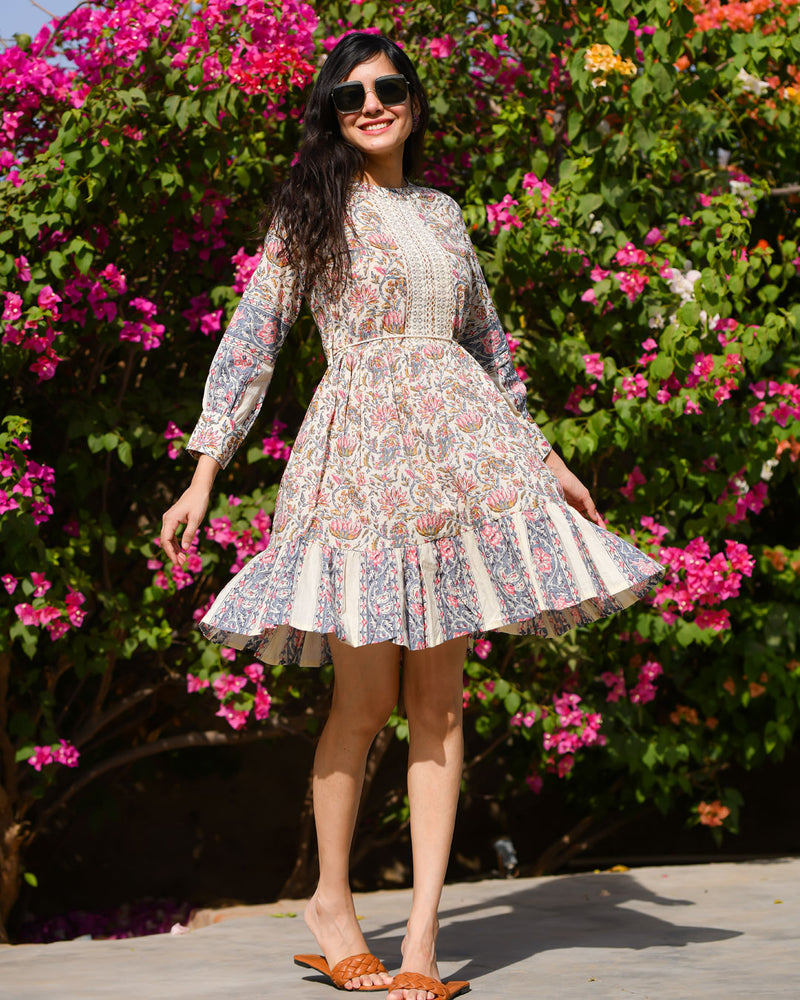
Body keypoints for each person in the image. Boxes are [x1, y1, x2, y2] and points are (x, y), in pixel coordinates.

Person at [161, 31, 663, 1000]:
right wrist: (203, 470)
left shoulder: (441, 210)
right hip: (359, 470)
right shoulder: (310, 211)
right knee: (361, 706)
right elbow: (251, 342)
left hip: (460, 465)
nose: (372, 104)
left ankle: (424, 940)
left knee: (438, 707)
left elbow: (485, 346)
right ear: (330, 113)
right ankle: (332, 903)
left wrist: (545, 457)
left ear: (412, 99)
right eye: (351, 95)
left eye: (387, 87)